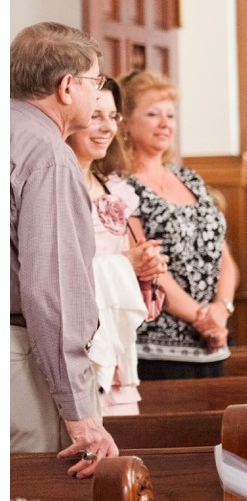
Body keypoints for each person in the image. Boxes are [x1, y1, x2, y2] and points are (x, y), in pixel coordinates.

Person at [10, 21, 118, 477]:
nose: (98, 94)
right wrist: (80, 414)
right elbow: (51, 290)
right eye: (96, 81)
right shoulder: (47, 154)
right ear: (67, 86)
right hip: (19, 357)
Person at [120, 70, 239, 380]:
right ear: (126, 122)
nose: (165, 123)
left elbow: (224, 257)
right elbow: (148, 267)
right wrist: (203, 318)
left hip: (213, 342)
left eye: (170, 115)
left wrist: (222, 310)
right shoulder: (121, 186)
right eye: (153, 114)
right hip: (159, 351)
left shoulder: (190, 179)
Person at [66, 76, 168, 414]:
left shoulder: (115, 189)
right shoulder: (56, 184)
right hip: (77, 343)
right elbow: (58, 272)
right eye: (95, 116)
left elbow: (126, 257)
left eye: (113, 117)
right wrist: (125, 265)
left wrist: (146, 266)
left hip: (118, 346)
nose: (107, 127)